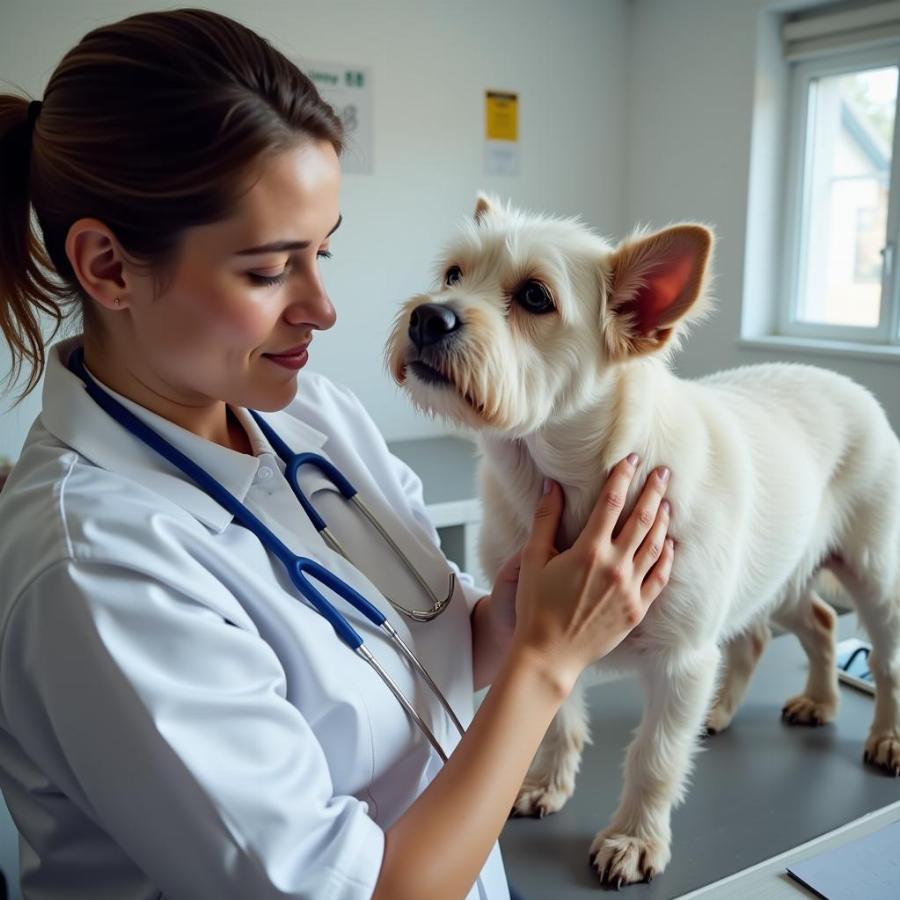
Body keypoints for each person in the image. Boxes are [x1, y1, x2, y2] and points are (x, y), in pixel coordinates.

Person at [0, 9, 674, 900]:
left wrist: (512, 618)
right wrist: (548, 663)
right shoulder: (97, 572)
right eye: (270, 269)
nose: (324, 307)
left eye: (325, 250)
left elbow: (415, 653)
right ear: (109, 267)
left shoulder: (311, 410)